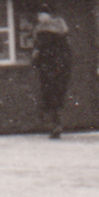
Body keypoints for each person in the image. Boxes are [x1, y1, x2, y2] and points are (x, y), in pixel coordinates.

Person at [30, 9, 73, 139]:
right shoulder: (62, 30)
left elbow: (37, 52)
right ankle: (58, 124)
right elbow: (68, 49)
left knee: (49, 96)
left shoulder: (42, 32)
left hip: (48, 68)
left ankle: (54, 125)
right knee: (59, 95)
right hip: (61, 67)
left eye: (39, 14)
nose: (38, 17)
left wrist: (36, 61)